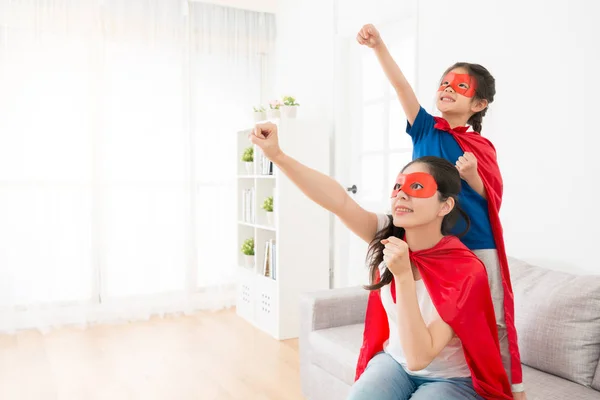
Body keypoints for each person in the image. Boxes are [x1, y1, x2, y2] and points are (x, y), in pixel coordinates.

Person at [249, 122, 512, 399]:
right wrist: (277, 155)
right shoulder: (388, 234)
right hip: (394, 364)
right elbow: (337, 200)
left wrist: (403, 277)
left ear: (444, 206)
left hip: (449, 378)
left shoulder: (465, 269)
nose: (401, 193)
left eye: (417, 187)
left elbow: (419, 357)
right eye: (398, 186)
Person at [357, 23, 525, 398]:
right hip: (434, 241)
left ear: (478, 104)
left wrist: (473, 175)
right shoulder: (425, 130)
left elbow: (492, 198)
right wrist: (379, 46)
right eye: (444, 83)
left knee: (493, 320)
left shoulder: (481, 147)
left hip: (477, 245)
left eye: (460, 86)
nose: (447, 88)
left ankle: (510, 386)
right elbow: (402, 89)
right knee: (429, 312)